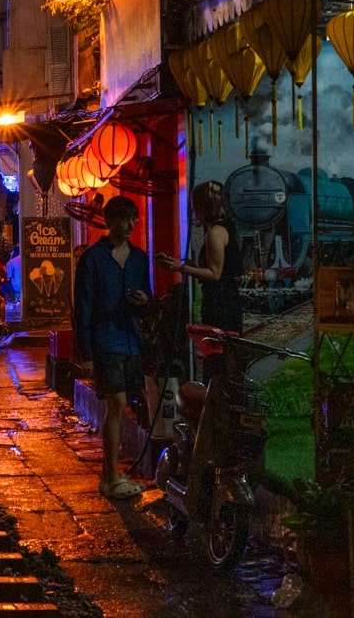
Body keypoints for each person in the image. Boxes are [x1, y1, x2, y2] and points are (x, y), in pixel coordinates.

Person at [75, 195, 152, 500]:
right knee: (116, 403)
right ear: (110, 222)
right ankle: (110, 476)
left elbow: (146, 294)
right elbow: (82, 307)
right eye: (124, 219)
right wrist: (86, 353)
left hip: (131, 339)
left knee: (123, 405)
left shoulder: (138, 258)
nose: (131, 224)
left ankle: (111, 476)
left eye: (134, 219)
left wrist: (145, 302)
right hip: (105, 338)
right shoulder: (92, 259)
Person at [157, 180, 242, 382]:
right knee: (224, 352)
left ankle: (216, 395)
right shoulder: (226, 227)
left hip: (219, 300)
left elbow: (214, 273)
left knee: (216, 353)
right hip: (228, 297)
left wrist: (181, 268)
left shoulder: (214, 232)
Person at [4, 246, 22, 319]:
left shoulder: (11, 262)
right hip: (28, 286)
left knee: (3, 286)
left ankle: (11, 301)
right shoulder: (28, 260)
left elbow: (9, 277)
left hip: (16, 287)